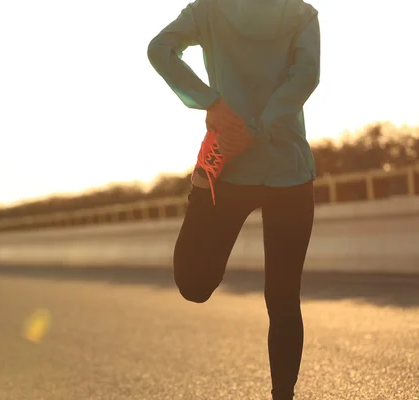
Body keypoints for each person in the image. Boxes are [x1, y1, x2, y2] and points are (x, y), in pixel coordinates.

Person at [147, 0, 320, 399]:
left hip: (234, 171)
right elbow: (305, 76)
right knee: (283, 297)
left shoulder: (207, 10)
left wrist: (209, 102)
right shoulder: (300, 13)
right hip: (284, 167)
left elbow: (160, 49)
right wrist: (254, 127)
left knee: (199, 285)